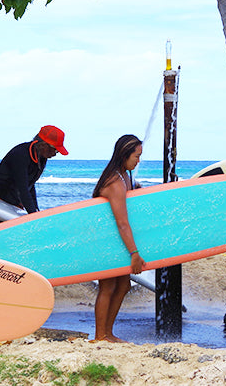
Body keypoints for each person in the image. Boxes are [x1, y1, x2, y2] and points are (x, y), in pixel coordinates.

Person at [90, 134, 146, 342]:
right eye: (136, 156)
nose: (138, 160)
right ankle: (99, 336)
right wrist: (134, 254)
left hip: (114, 240)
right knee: (107, 286)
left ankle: (108, 333)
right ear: (125, 154)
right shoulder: (115, 181)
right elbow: (122, 222)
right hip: (106, 241)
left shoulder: (124, 176)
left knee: (123, 286)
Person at [0, 125, 68, 227]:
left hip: (13, 205)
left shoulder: (41, 157)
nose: (55, 154)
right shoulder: (21, 154)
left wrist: (36, 210)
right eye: (55, 150)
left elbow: (30, 186)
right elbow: (22, 189)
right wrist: (33, 216)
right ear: (43, 145)